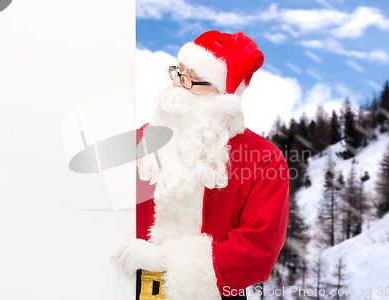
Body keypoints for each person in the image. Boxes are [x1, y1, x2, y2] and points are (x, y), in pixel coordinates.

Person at [113, 30, 290, 300]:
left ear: (222, 97)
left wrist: (166, 261)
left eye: (190, 80)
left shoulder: (264, 159)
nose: (176, 85)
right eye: (177, 72)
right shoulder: (140, 142)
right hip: (124, 289)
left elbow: (259, 249)